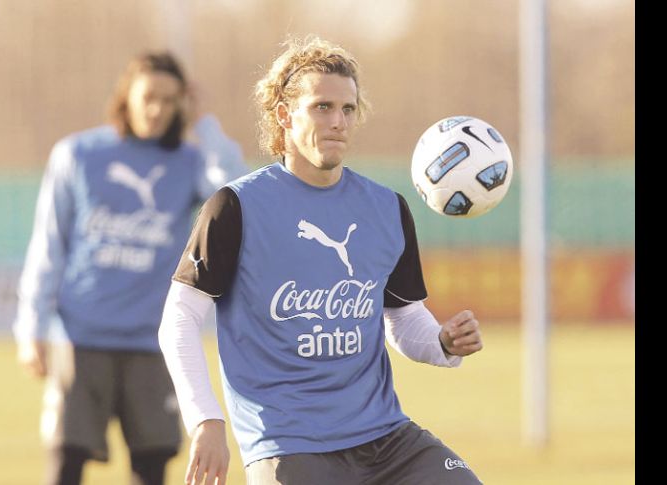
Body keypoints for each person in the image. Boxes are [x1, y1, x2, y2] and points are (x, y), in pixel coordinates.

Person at [158, 36, 485, 485]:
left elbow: (404, 319)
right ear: (284, 116)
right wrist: (205, 420)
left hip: (387, 439)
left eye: (348, 109)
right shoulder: (234, 207)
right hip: (290, 447)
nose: (339, 122)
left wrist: (443, 343)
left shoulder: (386, 208)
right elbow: (178, 319)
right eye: (322, 107)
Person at [13, 51, 248, 485]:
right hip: (80, 338)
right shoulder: (78, 154)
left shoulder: (191, 161)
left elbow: (237, 197)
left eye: (169, 99)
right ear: (126, 96)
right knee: (65, 463)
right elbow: (48, 244)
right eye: (148, 97)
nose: (157, 109)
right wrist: (32, 325)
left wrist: (205, 126)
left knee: (152, 465)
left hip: (152, 341)